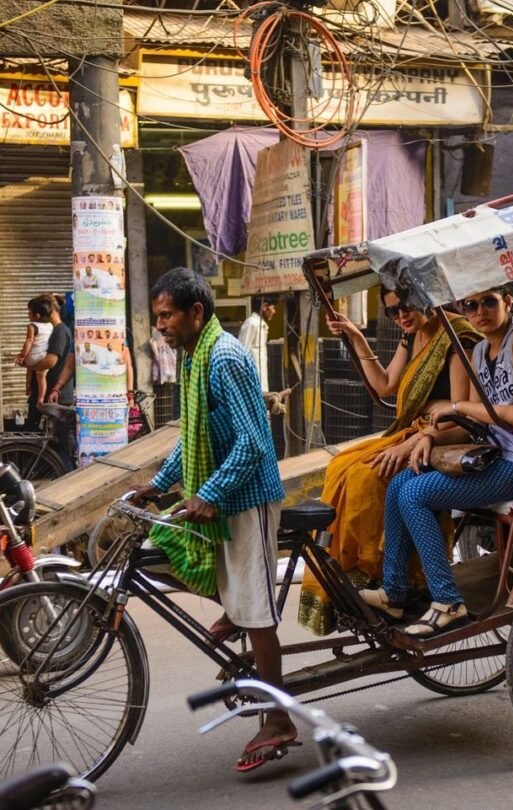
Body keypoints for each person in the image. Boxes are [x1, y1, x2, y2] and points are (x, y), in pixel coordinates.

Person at [130, 267, 297, 771]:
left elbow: (254, 443)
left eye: (167, 316)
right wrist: (160, 483)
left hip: (248, 498)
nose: (160, 325)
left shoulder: (222, 357)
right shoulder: (193, 357)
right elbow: (194, 434)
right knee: (163, 547)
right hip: (220, 493)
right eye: (158, 317)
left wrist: (210, 492)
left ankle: (279, 720)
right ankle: (232, 603)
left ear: (196, 313)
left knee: (256, 613)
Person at [359, 287, 513, 636]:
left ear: (507, 302)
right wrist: (428, 437)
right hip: (493, 451)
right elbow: (471, 424)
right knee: (399, 483)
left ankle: (448, 601)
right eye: (471, 305)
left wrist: (458, 407)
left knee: (415, 495)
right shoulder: (481, 350)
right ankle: (394, 592)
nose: (480, 311)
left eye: (489, 302)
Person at [298, 289, 481, 635]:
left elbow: (460, 415)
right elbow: (384, 385)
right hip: (413, 432)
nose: (401, 316)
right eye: (393, 312)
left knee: (368, 478)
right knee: (340, 468)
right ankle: (364, 579)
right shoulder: (411, 335)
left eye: (406, 307)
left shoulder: (457, 338)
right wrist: (356, 337)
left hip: (443, 439)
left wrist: (414, 440)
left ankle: (381, 576)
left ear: (426, 296)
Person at [25, 293, 75, 472]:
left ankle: (69, 476)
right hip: (54, 394)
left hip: (57, 397)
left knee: (63, 444)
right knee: (60, 442)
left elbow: (51, 361)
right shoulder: (54, 331)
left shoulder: (60, 331)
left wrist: (29, 364)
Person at [14, 297, 54, 409]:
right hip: (44, 357)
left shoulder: (32, 326)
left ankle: (28, 386)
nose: (28, 315)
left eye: (30, 312)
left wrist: (22, 355)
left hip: (33, 357)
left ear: (37, 316)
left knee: (29, 368)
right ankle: (40, 399)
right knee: (41, 378)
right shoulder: (50, 325)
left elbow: (29, 341)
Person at [238, 295, 278, 392]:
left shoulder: (261, 325)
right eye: (273, 307)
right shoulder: (251, 323)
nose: (274, 311)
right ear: (264, 307)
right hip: (250, 383)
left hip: (259, 383)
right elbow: (241, 354)